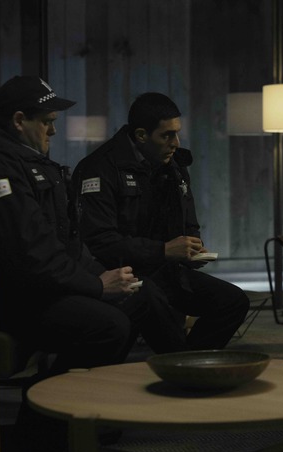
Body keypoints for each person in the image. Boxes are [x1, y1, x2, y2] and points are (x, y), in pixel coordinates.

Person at [0, 76, 188, 452]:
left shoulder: (26, 160)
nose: (54, 130)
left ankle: (107, 402)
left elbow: (65, 243)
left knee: (140, 295)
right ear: (19, 120)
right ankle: (42, 425)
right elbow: (30, 257)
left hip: (29, 285)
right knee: (108, 325)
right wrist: (97, 285)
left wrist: (103, 275)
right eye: (47, 122)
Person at [72, 92, 248, 351]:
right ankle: (181, 363)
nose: (175, 143)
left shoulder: (172, 165)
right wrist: (163, 250)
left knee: (233, 301)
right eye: (167, 135)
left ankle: (191, 362)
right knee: (153, 303)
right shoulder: (101, 168)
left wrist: (192, 248)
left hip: (165, 269)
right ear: (141, 135)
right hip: (122, 274)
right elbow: (100, 243)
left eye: (177, 133)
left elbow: (188, 220)